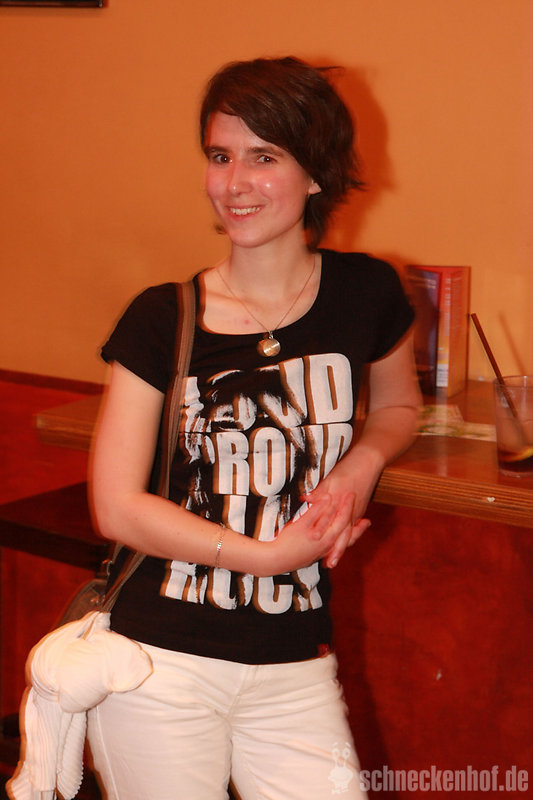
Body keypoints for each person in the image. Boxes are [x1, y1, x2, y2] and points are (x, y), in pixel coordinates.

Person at [87, 56, 421, 800]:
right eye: (220, 156)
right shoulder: (162, 317)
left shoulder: (366, 292)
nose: (233, 183)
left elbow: (400, 409)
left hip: (295, 659)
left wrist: (359, 465)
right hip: (159, 660)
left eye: (264, 157)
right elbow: (115, 507)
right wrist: (266, 558)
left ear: (316, 174)